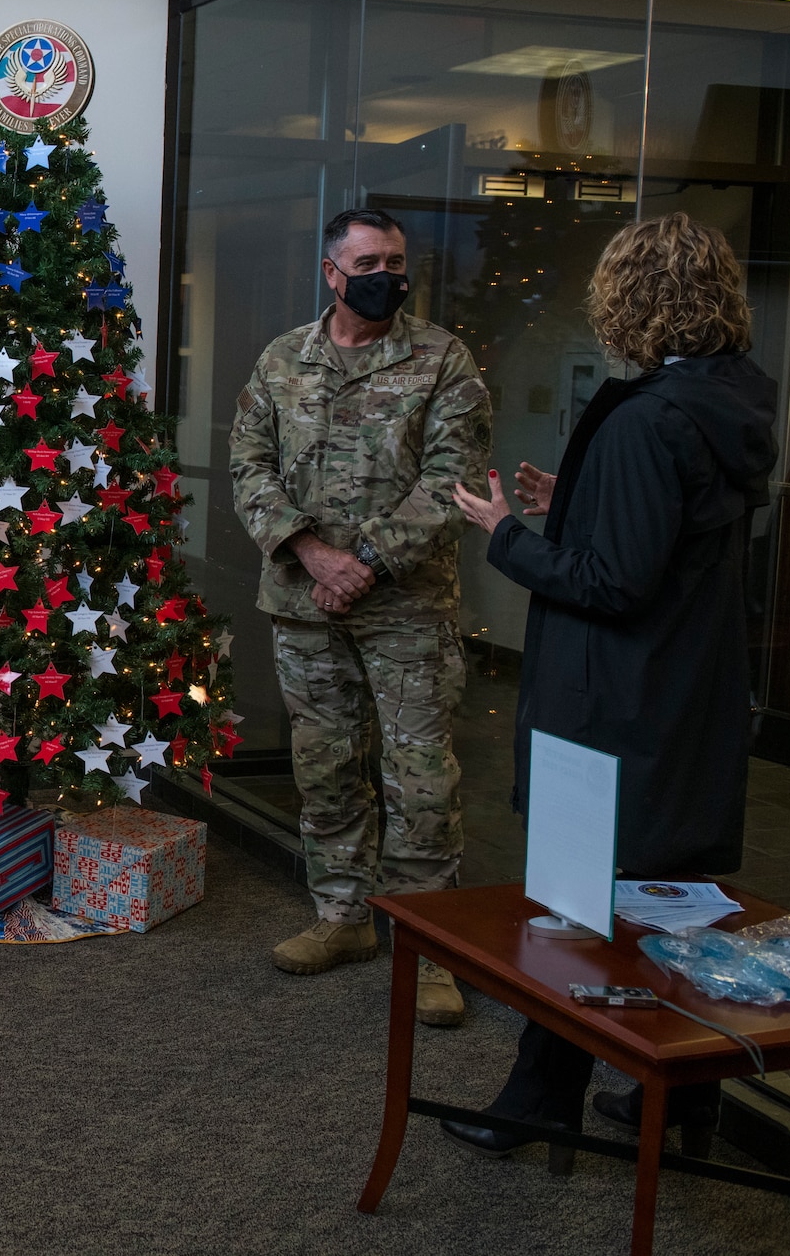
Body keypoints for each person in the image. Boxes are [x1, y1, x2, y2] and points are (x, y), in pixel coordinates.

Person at [445, 212, 776, 1156]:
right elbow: (671, 542)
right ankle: (686, 1104)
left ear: (628, 299)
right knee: (674, 908)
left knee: (580, 910)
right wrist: (578, 501)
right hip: (688, 695)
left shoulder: (645, 418)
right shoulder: (731, 400)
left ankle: (540, 1097)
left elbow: (612, 584)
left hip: (618, 709)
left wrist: (508, 534)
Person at [230, 207, 491, 1027]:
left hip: (406, 606)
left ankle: (432, 948)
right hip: (307, 603)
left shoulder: (443, 360)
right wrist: (314, 555)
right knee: (326, 765)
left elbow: (454, 477)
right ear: (332, 272)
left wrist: (365, 562)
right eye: (370, 259)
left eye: (397, 259)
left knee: (420, 781)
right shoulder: (281, 362)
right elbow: (248, 466)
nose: (389, 273)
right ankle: (341, 917)